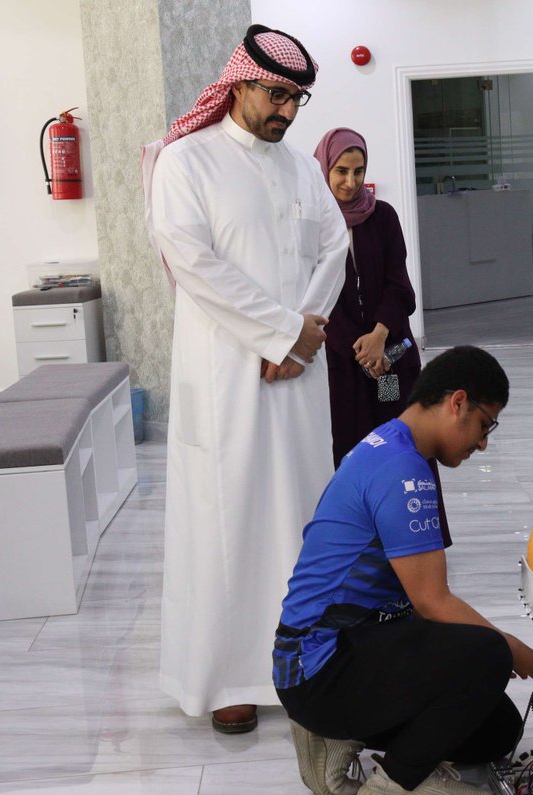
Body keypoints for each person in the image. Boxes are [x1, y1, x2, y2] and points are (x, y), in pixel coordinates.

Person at [143, 25, 348, 733]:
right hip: (227, 375)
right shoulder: (186, 161)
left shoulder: (300, 168)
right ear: (237, 83)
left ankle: (303, 663)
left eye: (297, 98)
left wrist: (303, 333)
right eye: (275, 94)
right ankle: (229, 676)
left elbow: (335, 247)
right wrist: (280, 330)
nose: (286, 112)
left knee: (300, 515)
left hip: (296, 374)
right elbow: (195, 264)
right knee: (227, 521)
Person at [275, 346, 533, 795]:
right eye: (485, 425)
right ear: (457, 402)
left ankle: (335, 736)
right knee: (488, 656)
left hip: (338, 650)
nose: (483, 442)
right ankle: (392, 787)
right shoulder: (401, 468)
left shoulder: (394, 445)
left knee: (496, 727)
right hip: (322, 667)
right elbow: (433, 602)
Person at [313, 128, 424, 468]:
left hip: (388, 361)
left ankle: (396, 516)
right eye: (341, 171)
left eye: (358, 171)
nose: (351, 181)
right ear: (325, 168)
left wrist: (379, 337)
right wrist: (362, 351)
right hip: (343, 366)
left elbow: (399, 286)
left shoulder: (383, 216)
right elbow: (318, 297)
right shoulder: (315, 222)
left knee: (394, 440)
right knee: (350, 451)